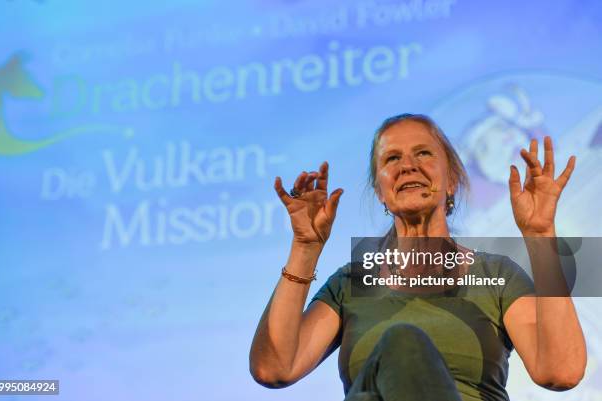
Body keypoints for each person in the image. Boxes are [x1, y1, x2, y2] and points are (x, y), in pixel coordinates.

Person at [249, 114, 586, 401]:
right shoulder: (352, 283)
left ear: (451, 180)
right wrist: (305, 247)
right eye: (391, 159)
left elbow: (561, 370)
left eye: (423, 153)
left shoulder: (496, 275)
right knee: (392, 357)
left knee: (402, 343)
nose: (407, 166)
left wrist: (540, 234)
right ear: (380, 191)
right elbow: (274, 367)